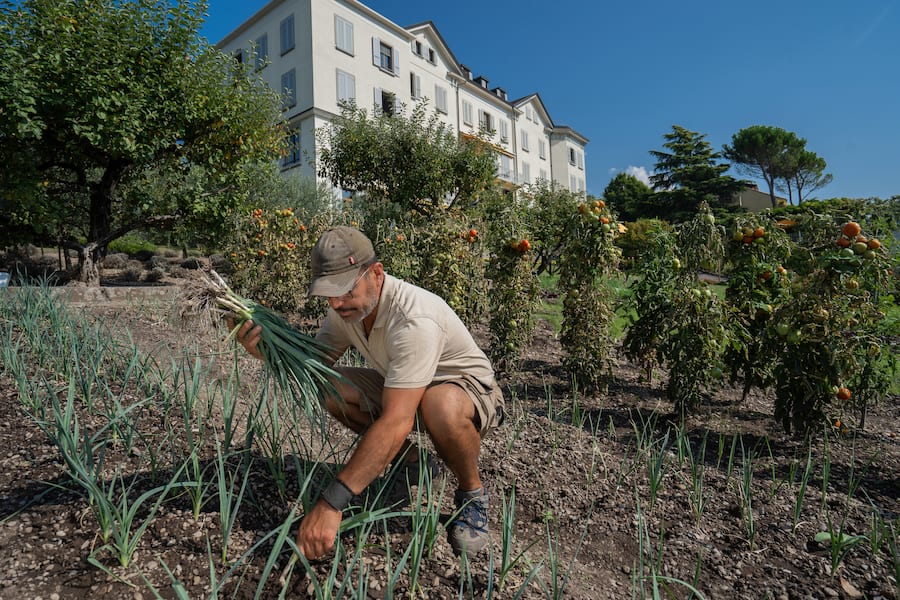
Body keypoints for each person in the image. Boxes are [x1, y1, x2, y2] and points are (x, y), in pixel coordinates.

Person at [233, 225, 504, 560]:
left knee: (440, 405)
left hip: (466, 392)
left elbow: (396, 421)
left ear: (376, 273)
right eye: (329, 293)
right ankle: (413, 462)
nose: (336, 302)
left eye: (345, 290)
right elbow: (314, 363)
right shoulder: (344, 309)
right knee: (325, 382)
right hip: (404, 387)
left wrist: (332, 503)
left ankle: (472, 495)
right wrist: (269, 349)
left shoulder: (413, 319)